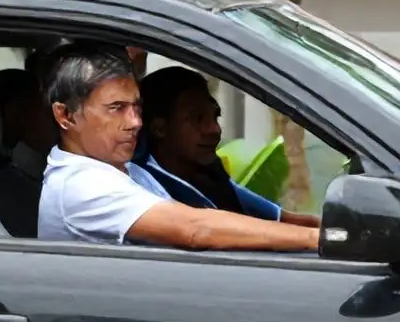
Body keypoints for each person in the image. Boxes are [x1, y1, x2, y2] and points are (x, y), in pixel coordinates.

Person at [35, 43, 317, 252]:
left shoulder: (125, 170)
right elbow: (196, 229)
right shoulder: (80, 184)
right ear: (66, 116)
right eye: (116, 109)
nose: (134, 122)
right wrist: (318, 240)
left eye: (136, 108)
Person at [135, 65, 322, 229]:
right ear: (159, 127)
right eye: (197, 119)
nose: (214, 129)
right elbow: (212, 229)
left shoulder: (208, 178)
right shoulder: (145, 189)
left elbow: (282, 219)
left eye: (215, 117)